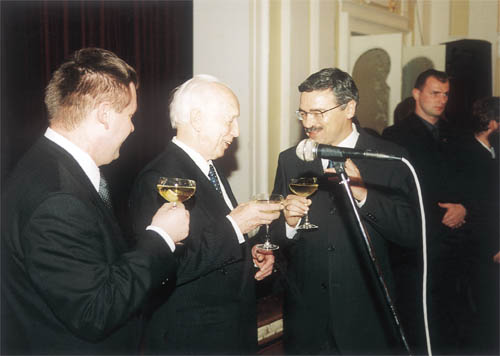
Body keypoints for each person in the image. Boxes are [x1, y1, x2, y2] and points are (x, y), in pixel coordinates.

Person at [0, 48, 190, 355]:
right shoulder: (58, 198)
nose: (132, 127)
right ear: (103, 115)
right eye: (129, 115)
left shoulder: (46, 164)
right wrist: (161, 237)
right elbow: (94, 310)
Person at [269, 67, 419, 355]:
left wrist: (363, 193)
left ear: (349, 107)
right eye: (303, 113)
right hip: (308, 324)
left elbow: (411, 233)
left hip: (368, 322)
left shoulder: (390, 158)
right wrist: (287, 224)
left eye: (318, 112)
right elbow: (276, 239)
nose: (308, 123)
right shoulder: (291, 160)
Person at [129, 74, 279, 355]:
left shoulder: (208, 168)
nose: (235, 132)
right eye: (229, 120)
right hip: (192, 341)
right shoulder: (161, 177)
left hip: (227, 334)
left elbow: (209, 245)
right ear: (197, 120)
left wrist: (249, 254)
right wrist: (236, 225)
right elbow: (167, 267)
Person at [382, 69, 474, 355]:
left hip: (456, 245)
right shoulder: (396, 136)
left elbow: (472, 182)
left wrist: (464, 207)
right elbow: (397, 193)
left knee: (454, 321)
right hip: (418, 248)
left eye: (446, 94)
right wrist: (439, 216)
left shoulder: (456, 134)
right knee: (420, 324)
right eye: (435, 93)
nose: (442, 100)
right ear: (417, 94)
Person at [453, 96, 499, 355]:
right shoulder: (467, 153)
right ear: (493, 123)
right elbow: (479, 207)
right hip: (481, 250)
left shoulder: (494, 149)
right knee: (483, 316)